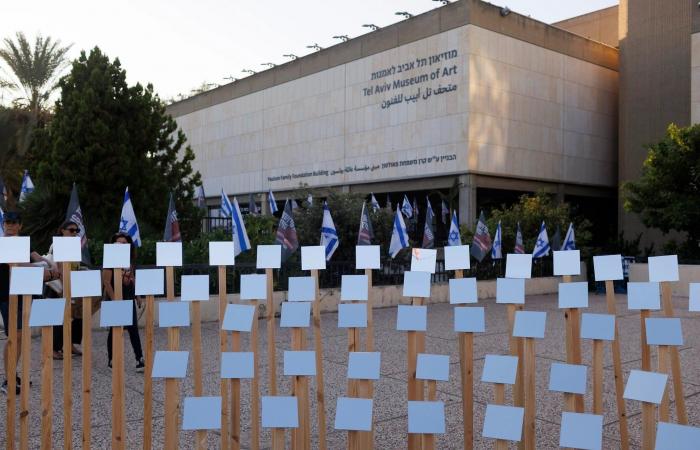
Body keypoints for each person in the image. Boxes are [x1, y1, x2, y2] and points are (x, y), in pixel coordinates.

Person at [1, 211, 57, 394]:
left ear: (20, 225)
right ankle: (8, 380)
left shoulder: (23, 243)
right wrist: (44, 271)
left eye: (13, 222)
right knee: (14, 337)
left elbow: (36, 256)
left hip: (25, 295)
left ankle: (12, 373)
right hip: (7, 296)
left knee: (20, 337)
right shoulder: (3, 243)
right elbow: (17, 264)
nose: (9, 225)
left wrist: (51, 264)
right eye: (6, 222)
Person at [102, 232, 144, 372]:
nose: (121, 246)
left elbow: (133, 278)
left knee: (133, 329)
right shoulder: (109, 260)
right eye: (118, 243)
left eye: (124, 243)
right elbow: (106, 282)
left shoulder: (129, 261)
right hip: (113, 298)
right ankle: (111, 359)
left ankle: (139, 358)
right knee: (114, 329)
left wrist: (137, 296)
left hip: (127, 297)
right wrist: (115, 300)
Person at [46, 220, 84, 359]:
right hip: (58, 286)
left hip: (71, 284)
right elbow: (61, 267)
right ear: (62, 230)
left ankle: (69, 343)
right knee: (58, 317)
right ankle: (54, 348)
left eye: (76, 231)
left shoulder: (73, 245)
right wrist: (64, 288)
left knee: (76, 315)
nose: (74, 233)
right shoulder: (58, 244)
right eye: (71, 230)